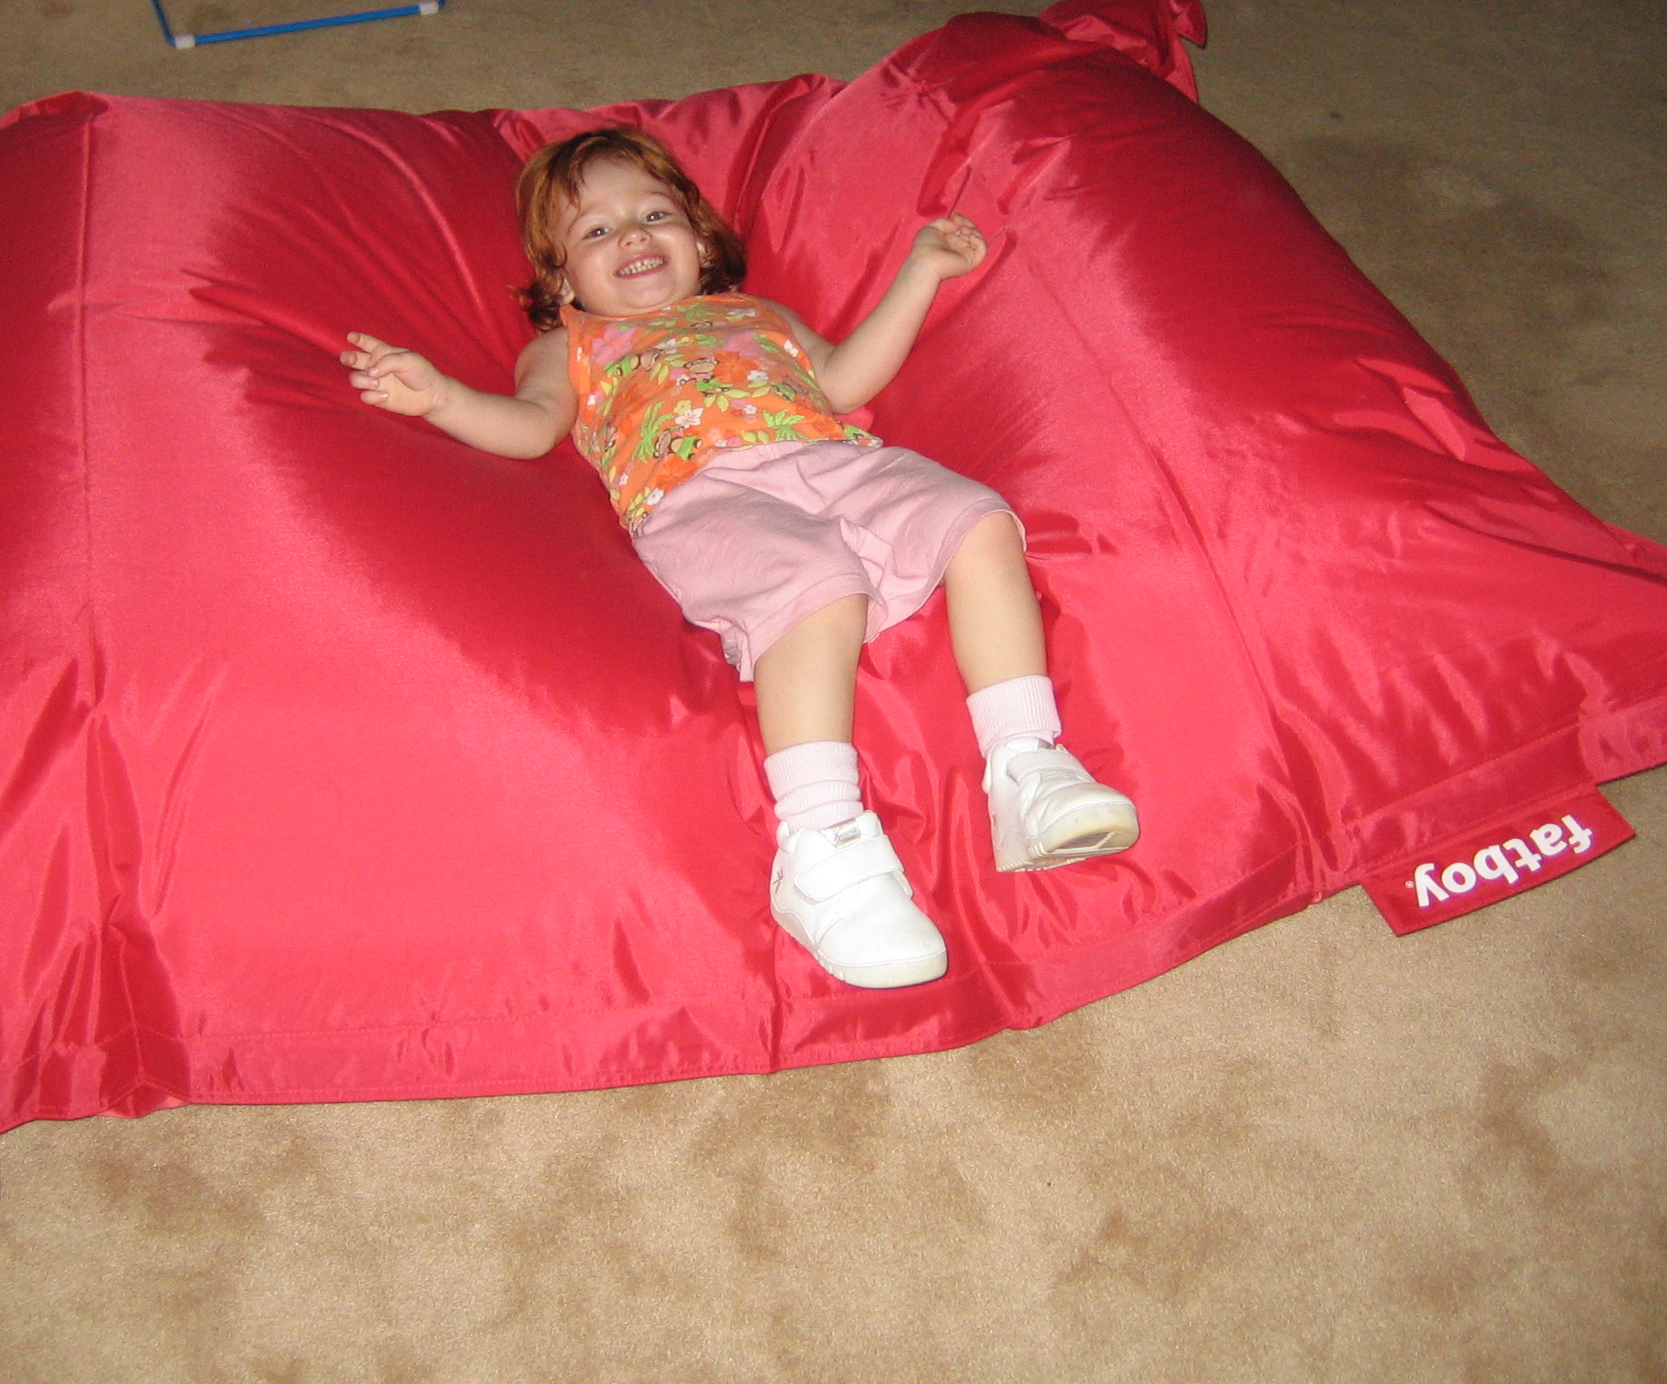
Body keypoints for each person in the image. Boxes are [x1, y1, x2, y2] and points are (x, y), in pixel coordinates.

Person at [341, 126, 1137, 989]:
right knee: (816, 585)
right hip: (697, 497)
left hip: (830, 459)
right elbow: (531, 427)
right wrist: (442, 399)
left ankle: (1026, 764)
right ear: (563, 279)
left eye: (655, 215)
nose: (634, 236)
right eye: (598, 231)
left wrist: (920, 272)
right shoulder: (568, 344)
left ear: (698, 235)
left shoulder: (759, 313)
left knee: (975, 516)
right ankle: (823, 848)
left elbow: (844, 382)